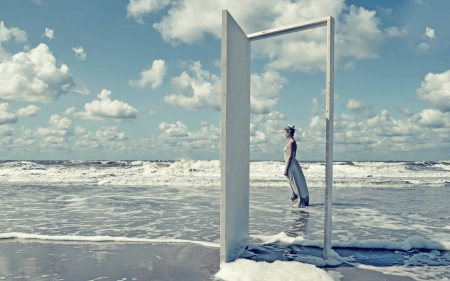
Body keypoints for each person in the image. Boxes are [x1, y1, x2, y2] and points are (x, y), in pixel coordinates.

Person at [284, 125, 309, 207]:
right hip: (293, 163)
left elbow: (290, 156)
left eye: (285, 132)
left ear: (288, 133)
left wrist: (286, 169)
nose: (284, 134)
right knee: (294, 182)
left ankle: (298, 201)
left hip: (291, 164)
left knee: (293, 182)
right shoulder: (292, 142)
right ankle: (298, 200)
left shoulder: (291, 142)